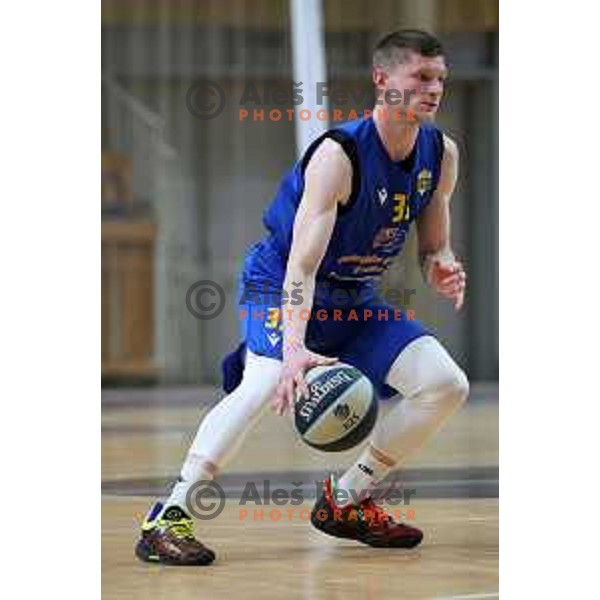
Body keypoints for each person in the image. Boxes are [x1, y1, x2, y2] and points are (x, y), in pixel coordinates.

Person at [135, 29, 469, 566]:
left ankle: (346, 500)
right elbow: (302, 264)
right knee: (267, 378)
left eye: (441, 79)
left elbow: (434, 245)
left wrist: (442, 266)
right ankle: (168, 515)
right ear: (383, 81)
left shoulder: (440, 153)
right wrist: (293, 348)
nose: (434, 89)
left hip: (353, 295)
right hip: (283, 283)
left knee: (445, 385)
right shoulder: (339, 155)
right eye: (422, 77)